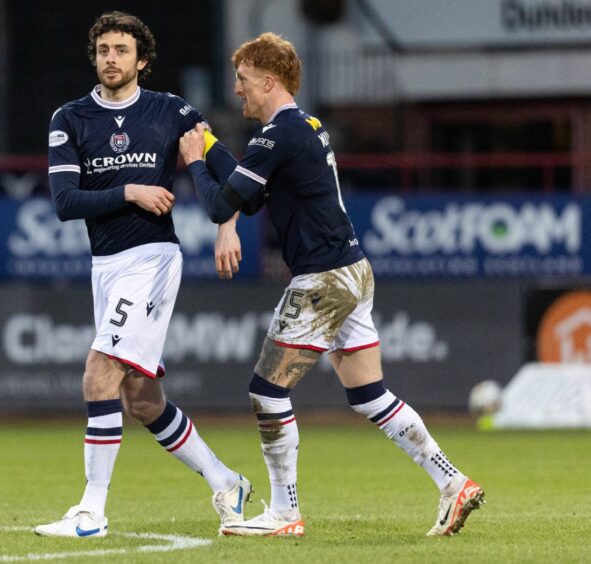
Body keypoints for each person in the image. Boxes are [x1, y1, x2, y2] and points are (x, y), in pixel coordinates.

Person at [179, 32, 485, 538]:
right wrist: (211, 146)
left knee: (267, 392)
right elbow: (248, 198)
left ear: (269, 81)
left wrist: (194, 158)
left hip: (323, 278)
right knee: (369, 395)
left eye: (244, 81)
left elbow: (221, 205)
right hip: (353, 271)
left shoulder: (277, 136)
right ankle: (453, 483)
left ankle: (284, 511)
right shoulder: (305, 127)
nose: (238, 91)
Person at [35, 11, 251, 539]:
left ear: (142, 61)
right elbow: (65, 203)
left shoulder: (172, 111)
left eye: (122, 50)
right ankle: (227, 482)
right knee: (141, 399)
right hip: (105, 266)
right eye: (104, 49)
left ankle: (92, 510)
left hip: (152, 259)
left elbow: (234, 173)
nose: (112, 58)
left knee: (98, 371)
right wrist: (130, 191)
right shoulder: (70, 118)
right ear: (95, 57)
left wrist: (227, 226)